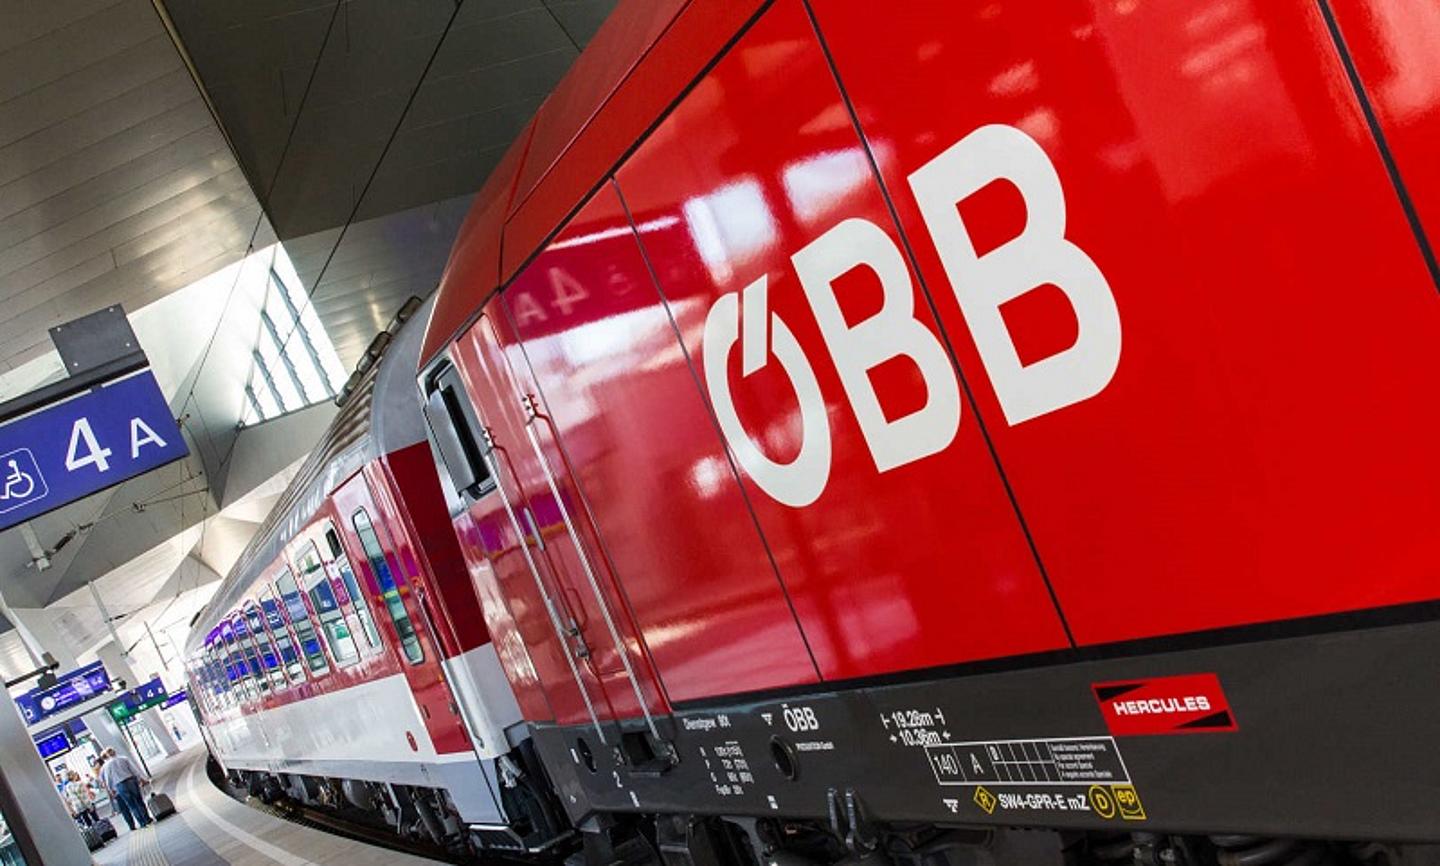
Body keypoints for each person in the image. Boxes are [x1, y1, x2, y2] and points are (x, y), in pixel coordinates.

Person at [98, 749, 151, 830]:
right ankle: (147, 819)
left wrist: (111, 789)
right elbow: (134, 770)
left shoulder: (107, 765)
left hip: (120, 785)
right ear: (115, 752)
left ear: (107, 755)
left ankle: (142, 823)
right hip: (131, 780)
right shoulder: (123, 758)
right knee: (139, 801)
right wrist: (140, 779)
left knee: (131, 805)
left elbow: (108, 778)